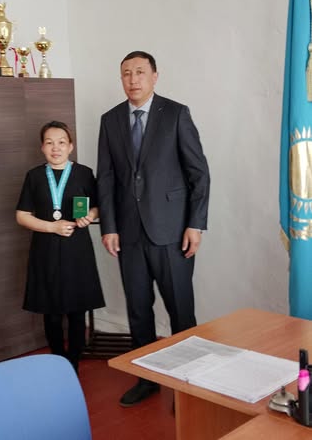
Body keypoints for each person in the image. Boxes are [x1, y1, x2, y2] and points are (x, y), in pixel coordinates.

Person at [97, 51, 210, 406]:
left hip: (172, 232)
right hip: (128, 234)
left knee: (181, 310)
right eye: (126, 73)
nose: (133, 79)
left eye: (140, 72)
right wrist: (109, 227)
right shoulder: (110, 120)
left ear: (155, 76)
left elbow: (199, 173)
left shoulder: (176, 114)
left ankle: (188, 388)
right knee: (138, 310)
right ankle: (146, 380)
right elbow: (106, 178)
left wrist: (195, 224)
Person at [16, 120, 105, 373]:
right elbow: (22, 216)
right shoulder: (34, 176)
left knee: (77, 310)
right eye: (49, 143)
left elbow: (98, 206)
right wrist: (51, 227)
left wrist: (89, 216)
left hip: (77, 250)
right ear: (42, 147)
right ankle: (58, 360)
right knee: (51, 312)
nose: (56, 148)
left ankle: (73, 363)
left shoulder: (84, 173)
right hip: (45, 249)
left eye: (61, 142)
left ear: (71, 146)